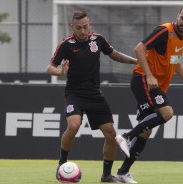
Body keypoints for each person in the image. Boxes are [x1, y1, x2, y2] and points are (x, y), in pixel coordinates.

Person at [46, 10, 137, 183]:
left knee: (111, 134)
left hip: (95, 95)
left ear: (90, 25)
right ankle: (62, 164)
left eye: (85, 27)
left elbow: (115, 54)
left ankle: (106, 175)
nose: (82, 31)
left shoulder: (98, 40)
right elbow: (50, 68)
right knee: (73, 126)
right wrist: (60, 71)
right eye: (79, 27)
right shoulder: (66, 44)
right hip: (74, 94)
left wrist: (135, 61)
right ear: (73, 27)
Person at [115, 5, 183, 183]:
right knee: (167, 113)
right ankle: (126, 136)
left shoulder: (181, 38)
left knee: (146, 131)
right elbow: (139, 49)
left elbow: (175, 62)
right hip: (143, 80)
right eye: (182, 18)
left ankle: (123, 173)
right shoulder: (164, 31)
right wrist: (149, 75)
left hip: (155, 84)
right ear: (177, 16)